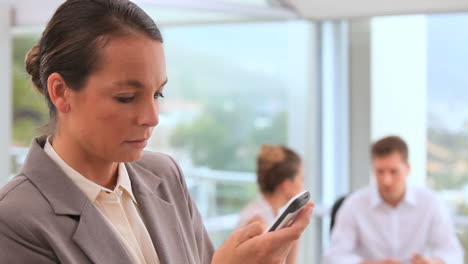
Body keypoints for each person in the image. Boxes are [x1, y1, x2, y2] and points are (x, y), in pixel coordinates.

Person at [0, 0, 313, 263]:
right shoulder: (14, 219)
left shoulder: (164, 174)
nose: (152, 117)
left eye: (158, 94)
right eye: (126, 97)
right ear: (61, 92)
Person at [322, 136, 463, 264]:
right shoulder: (354, 204)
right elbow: (334, 256)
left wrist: (433, 263)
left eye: (393, 172)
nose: (386, 180)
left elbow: (453, 255)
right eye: (380, 171)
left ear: (407, 169)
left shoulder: (431, 203)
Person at [237, 145, 304, 264]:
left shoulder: (273, 214)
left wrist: (294, 235)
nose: (302, 184)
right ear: (287, 185)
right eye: (301, 178)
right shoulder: (257, 222)